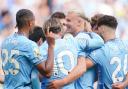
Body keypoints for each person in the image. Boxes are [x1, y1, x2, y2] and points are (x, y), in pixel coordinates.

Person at [48, 15, 128, 89]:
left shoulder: (101, 51)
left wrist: (62, 82)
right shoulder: (125, 44)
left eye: (97, 28)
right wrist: (124, 84)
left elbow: (81, 67)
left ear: (101, 29)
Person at [47, 10, 104, 89]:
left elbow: (81, 68)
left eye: (68, 20)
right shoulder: (80, 38)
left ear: (79, 22)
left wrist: (61, 83)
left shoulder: (81, 38)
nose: (65, 23)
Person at [1, 9, 55, 89]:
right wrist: (51, 46)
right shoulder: (29, 45)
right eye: (34, 22)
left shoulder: (5, 42)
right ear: (30, 23)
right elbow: (47, 73)